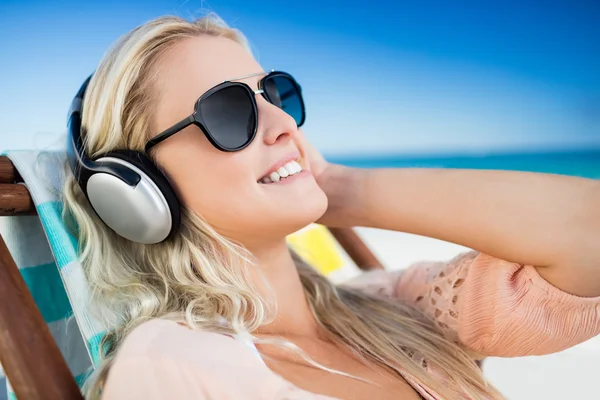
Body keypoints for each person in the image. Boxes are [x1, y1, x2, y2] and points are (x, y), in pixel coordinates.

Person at [62, 13, 600, 400]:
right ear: (136, 188)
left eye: (275, 94)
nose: (285, 124)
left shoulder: (392, 308)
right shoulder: (168, 361)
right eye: (229, 111)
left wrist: (341, 189)